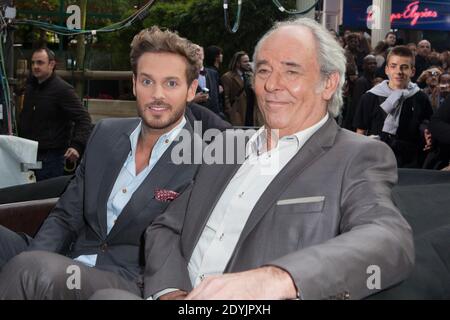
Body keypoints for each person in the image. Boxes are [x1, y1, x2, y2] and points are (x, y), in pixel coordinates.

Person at [94, 18, 414, 300]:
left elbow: (389, 240)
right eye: (263, 70)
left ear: (328, 83)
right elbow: (166, 227)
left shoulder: (356, 155)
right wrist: (170, 291)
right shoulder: (227, 144)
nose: (272, 85)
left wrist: (279, 278)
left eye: (291, 71)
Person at [0, 26, 204, 299]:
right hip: (69, 257)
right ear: (133, 84)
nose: (157, 95)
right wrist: (35, 257)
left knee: (34, 270)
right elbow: (65, 215)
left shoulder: (202, 161)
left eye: (171, 83)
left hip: (126, 281)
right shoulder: (105, 134)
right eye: (147, 81)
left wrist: (33, 267)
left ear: (191, 90)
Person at [19, 48, 92, 181]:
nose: (35, 66)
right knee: (26, 196)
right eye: (33, 63)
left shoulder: (62, 90)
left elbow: (83, 118)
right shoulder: (30, 88)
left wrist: (77, 145)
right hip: (28, 154)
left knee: (45, 198)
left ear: (51, 65)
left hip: (51, 158)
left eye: (40, 63)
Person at [354, 46, 433, 168]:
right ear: (386, 70)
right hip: (376, 159)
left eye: (404, 67)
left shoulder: (420, 97)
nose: (399, 71)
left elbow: (427, 123)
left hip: (410, 161)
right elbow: (360, 132)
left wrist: (427, 135)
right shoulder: (370, 97)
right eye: (393, 66)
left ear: (412, 71)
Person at [221, 51, 259, 126]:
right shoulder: (228, 77)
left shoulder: (250, 75)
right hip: (238, 112)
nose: (248, 63)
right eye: (245, 62)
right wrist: (230, 113)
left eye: (248, 61)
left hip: (251, 111)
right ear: (237, 63)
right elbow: (226, 98)